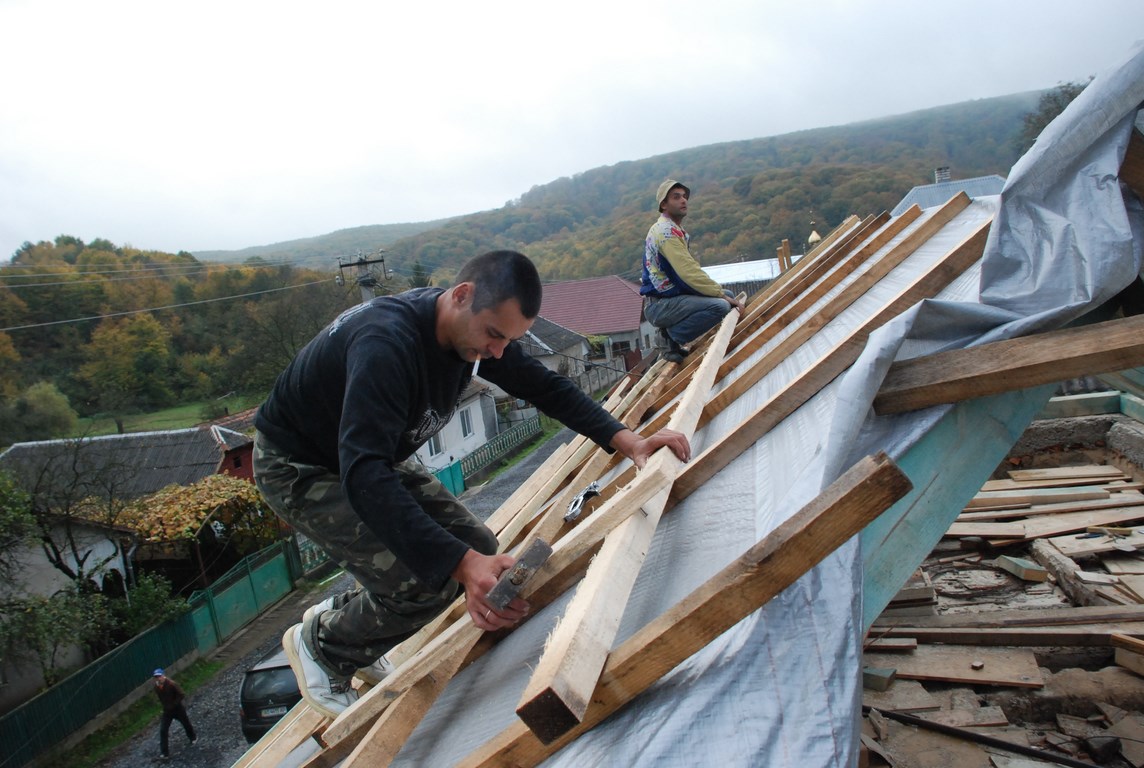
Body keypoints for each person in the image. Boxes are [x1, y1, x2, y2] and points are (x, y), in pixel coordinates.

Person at [253, 249, 690, 717]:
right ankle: (323, 646)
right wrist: (459, 566)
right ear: (461, 296)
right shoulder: (386, 344)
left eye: (509, 340)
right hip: (301, 465)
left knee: (474, 543)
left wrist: (628, 440)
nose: (498, 351)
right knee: (430, 580)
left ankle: (353, 612)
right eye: (495, 336)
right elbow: (364, 476)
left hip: (369, 455)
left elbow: (545, 387)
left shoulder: (471, 332)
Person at [640, 179, 744, 363]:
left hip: (669, 301)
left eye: (684, 196)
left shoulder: (673, 229)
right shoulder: (665, 233)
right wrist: (718, 294)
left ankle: (669, 333)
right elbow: (688, 273)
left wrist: (721, 293)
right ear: (664, 204)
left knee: (725, 296)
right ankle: (670, 337)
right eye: (676, 197)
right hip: (659, 305)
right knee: (720, 306)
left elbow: (687, 273)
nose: (683, 201)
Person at [152, 668, 196, 759]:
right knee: (163, 730)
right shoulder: (156, 687)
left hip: (177, 709)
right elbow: (161, 698)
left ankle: (193, 738)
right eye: (156, 677)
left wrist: (174, 704)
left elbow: (181, 694)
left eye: (159, 676)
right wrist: (165, 706)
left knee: (186, 724)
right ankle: (165, 753)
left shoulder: (172, 684)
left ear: (163, 676)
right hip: (167, 711)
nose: (158, 678)